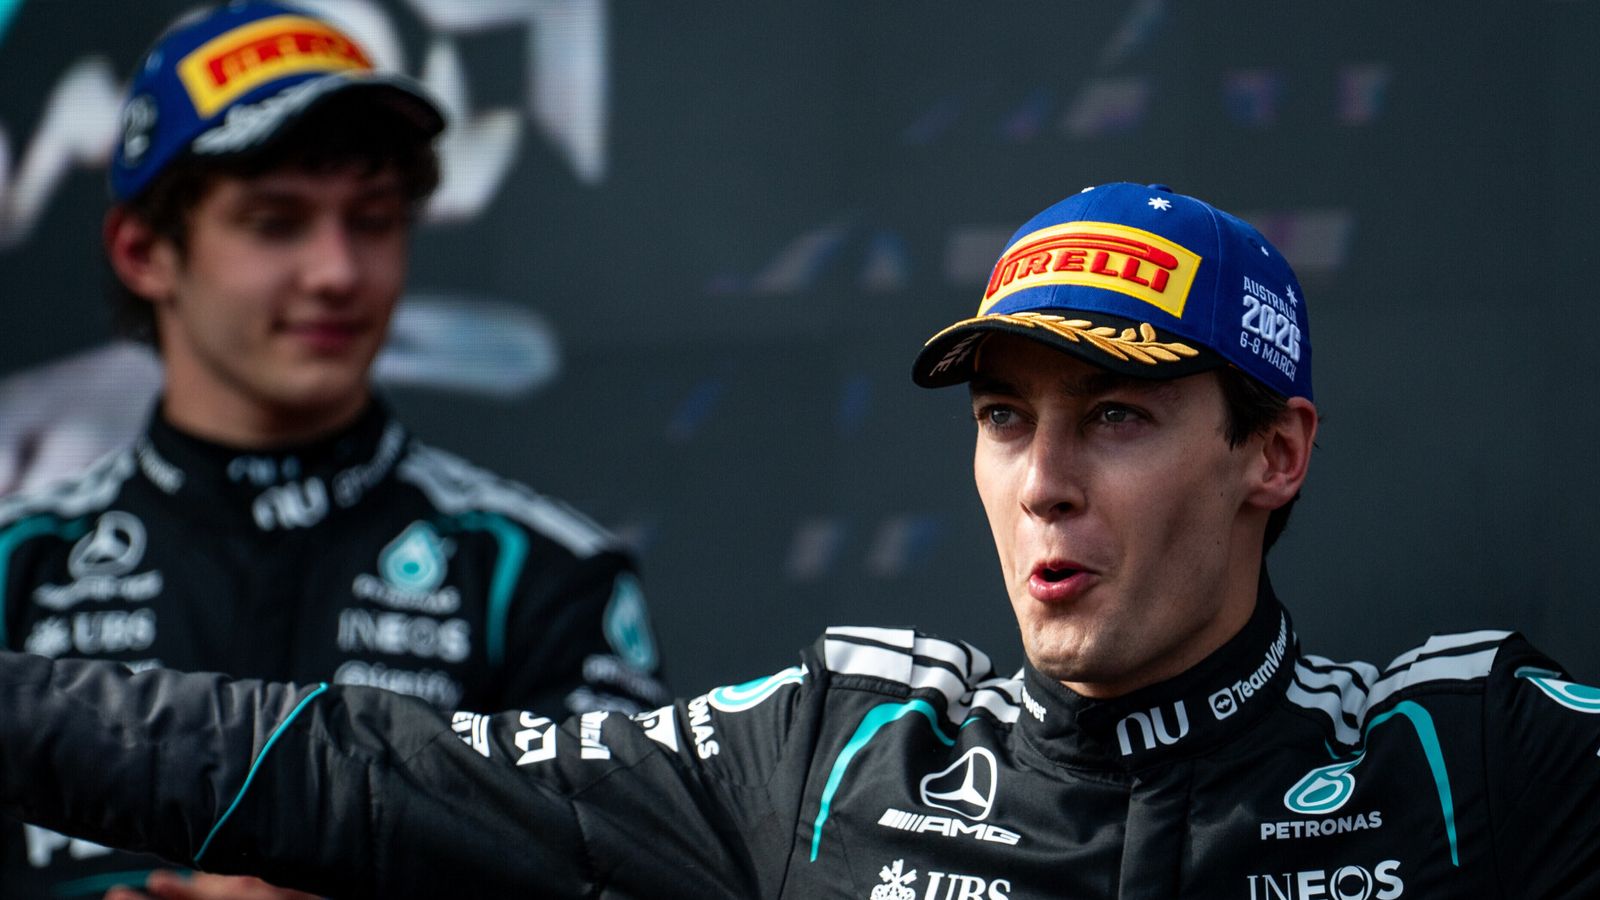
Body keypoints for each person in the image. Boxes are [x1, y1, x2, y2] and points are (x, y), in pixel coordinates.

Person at [3, 183, 1598, 899]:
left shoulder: (1469, 759)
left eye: (1115, 416)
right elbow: (375, 773)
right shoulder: (837, 763)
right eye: (1005, 418)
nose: (1043, 481)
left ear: (1274, 454)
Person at [0, 3, 666, 898]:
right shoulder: (15, 570)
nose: (339, 272)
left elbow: (642, 876)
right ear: (143, 251)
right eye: (277, 222)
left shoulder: (537, 577)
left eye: (374, 220)